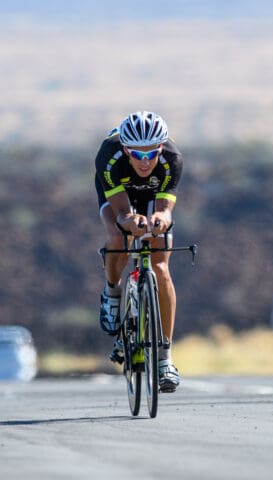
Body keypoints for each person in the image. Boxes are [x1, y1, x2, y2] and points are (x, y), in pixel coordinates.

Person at [94, 110, 183, 392]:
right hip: (119, 191)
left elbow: (165, 210)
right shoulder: (109, 157)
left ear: (160, 147)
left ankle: (165, 359)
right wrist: (130, 220)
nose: (144, 162)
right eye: (137, 155)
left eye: (151, 154)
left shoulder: (171, 160)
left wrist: (161, 220)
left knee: (160, 268)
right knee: (118, 238)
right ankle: (112, 292)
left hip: (153, 193)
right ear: (125, 149)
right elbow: (121, 213)